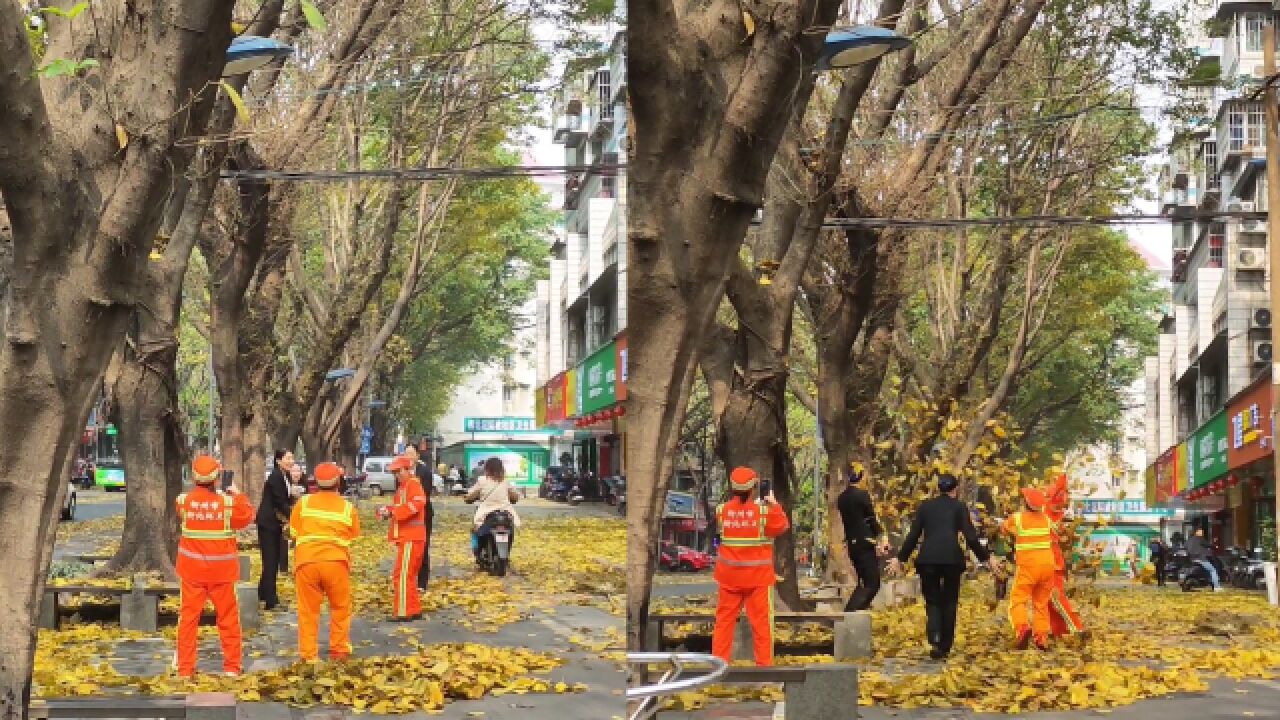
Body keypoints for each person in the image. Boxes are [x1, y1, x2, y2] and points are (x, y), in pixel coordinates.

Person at [888, 473, 997, 660]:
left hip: (928, 558)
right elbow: (970, 535)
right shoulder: (959, 507)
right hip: (951, 559)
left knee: (932, 600)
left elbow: (914, 535)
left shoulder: (926, 507)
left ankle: (935, 636)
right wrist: (986, 558)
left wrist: (901, 558)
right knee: (949, 601)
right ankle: (944, 646)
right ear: (955, 490)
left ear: (939, 489)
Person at [174, 455, 254, 678]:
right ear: (218, 478)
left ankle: (185, 668)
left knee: (188, 619)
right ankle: (231, 667)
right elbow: (247, 517)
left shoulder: (182, 501)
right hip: (222, 572)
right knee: (228, 619)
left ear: (193, 476)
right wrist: (236, 494)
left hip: (192, 571)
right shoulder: (228, 504)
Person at [711, 466, 789, 667]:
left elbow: (724, 532)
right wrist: (774, 505)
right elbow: (781, 527)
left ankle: (718, 667)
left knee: (724, 623)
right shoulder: (764, 513)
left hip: (729, 578)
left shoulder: (721, 511)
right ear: (754, 487)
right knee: (761, 624)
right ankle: (764, 667)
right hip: (758, 579)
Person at [289, 462, 359, 663]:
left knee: (308, 611)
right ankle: (339, 650)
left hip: (307, 562)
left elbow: (293, 532)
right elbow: (353, 535)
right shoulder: (347, 508)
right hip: (335, 563)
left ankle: (309, 655)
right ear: (338, 481)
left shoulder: (303, 503)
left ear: (315, 482)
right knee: (340, 607)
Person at [1000, 487, 1060, 650]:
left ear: (1025, 502)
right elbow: (1055, 535)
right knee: (1041, 603)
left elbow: (1003, 530)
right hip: (1048, 566)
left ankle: (1022, 628)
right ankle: (1041, 638)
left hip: (1028, 566)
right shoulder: (1046, 520)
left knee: (1018, 600)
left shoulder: (1017, 519)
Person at [378, 455, 428, 620]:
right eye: (394, 472)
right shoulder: (405, 486)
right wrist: (389, 511)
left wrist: (393, 511)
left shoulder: (412, 484)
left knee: (401, 575)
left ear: (408, 470)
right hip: (410, 538)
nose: (396, 475)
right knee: (408, 576)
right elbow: (405, 507)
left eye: (398, 471)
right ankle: (413, 609)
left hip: (410, 538)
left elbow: (418, 503)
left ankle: (403, 612)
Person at [836, 462, 888, 611]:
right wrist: (881, 538)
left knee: (864, 582)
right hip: (865, 543)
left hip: (853, 546)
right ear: (861, 477)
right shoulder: (862, 495)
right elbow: (870, 519)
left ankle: (853, 614)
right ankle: (850, 614)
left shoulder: (842, 499)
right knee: (872, 583)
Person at [1040, 473, 1083, 638]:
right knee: (1047, 599)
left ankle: (1076, 629)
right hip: (1044, 561)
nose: (1062, 509)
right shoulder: (1045, 512)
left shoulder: (1053, 515)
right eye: (1059, 504)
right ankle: (1059, 630)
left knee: (1056, 597)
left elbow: (1061, 536)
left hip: (1053, 562)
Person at [256, 449, 294, 610]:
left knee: (273, 559)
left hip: (276, 523)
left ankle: (262, 593)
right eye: (288, 458)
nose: (291, 461)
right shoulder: (275, 477)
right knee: (271, 561)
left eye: (292, 458)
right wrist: (296, 516)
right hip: (268, 523)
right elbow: (280, 502)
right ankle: (271, 602)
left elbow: (286, 499)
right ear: (278, 460)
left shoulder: (286, 476)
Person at [465, 457, 522, 561]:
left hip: (486, 513)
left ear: (487, 468)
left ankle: (478, 552)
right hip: (505, 512)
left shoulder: (482, 480)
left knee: (475, 530)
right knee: (510, 530)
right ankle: (506, 554)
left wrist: (467, 498)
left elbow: (471, 494)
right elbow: (515, 496)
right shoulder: (505, 481)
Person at [401, 445, 435, 592]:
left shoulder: (425, 472)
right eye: (406, 453)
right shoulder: (402, 472)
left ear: (417, 456)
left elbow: (424, 495)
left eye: (411, 453)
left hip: (423, 516)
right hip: (407, 517)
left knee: (423, 548)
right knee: (407, 550)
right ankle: (407, 580)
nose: (408, 456)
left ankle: (422, 583)